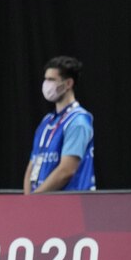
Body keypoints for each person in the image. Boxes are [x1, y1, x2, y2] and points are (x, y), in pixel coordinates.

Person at [23, 56, 95, 194]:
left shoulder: (78, 121)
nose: (46, 84)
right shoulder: (46, 121)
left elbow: (66, 171)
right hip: (42, 203)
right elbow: (31, 167)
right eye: (45, 79)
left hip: (70, 205)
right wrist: (27, 202)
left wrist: (34, 198)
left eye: (51, 80)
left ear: (68, 83)